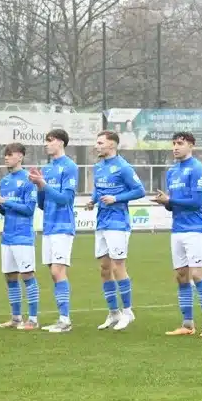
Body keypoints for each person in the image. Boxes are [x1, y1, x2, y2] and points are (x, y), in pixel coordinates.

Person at [153, 132, 202, 337]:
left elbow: (196, 202)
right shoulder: (171, 172)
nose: (175, 147)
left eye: (180, 144)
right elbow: (173, 208)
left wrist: (170, 201)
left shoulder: (197, 169)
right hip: (178, 229)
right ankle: (188, 324)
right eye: (173, 144)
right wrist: (166, 204)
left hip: (196, 229)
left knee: (197, 275)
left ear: (191, 146)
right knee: (181, 276)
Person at [87, 130, 146, 331]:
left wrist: (116, 198)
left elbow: (140, 190)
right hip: (102, 222)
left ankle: (128, 312)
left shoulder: (124, 167)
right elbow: (98, 188)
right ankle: (113, 312)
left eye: (100, 143)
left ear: (112, 145)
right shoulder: (98, 166)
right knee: (104, 268)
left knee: (117, 266)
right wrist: (92, 200)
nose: (97, 146)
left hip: (118, 222)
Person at [29, 128, 78, 333]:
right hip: (48, 226)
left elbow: (65, 199)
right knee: (53, 272)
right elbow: (42, 203)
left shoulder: (70, 167)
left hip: (62, 225)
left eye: (49, 141)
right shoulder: (47, 168)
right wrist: (40, 186)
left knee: (59, 271)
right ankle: (62, 318)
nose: (46, 144)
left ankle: (65, 320)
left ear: (60, 142)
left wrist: (44, 184)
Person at [0, 143, 39, 329]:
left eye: (10, 155)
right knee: (10, 276)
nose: (6, 158)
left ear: (20, 156)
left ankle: (33, 319)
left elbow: (29, 209)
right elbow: (6, 211)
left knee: (27, 275)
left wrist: (5, 201)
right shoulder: (5, 181)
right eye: (5, 155)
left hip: (23, 236)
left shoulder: (28, 179)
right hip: (7, 236)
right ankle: (16, 318)